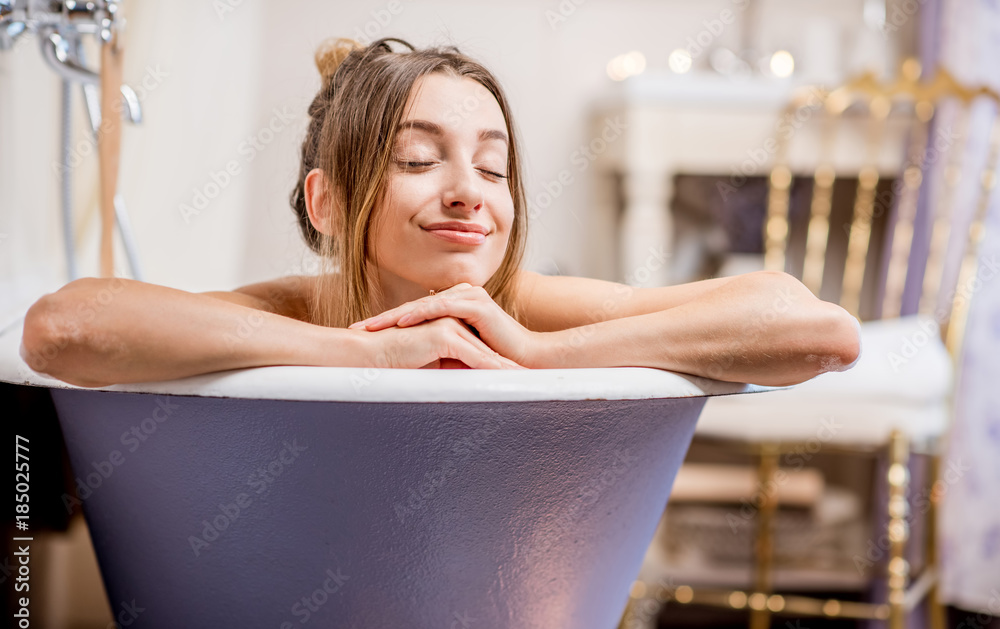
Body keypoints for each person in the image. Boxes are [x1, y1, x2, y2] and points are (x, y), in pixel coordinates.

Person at [19, 37, 860, 389]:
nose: (469, 190)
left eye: (493, 168)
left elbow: (818, 330)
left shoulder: (523, 309)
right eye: (419, 161)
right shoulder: (300, 308)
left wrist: (538, 351)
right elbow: (62, 328)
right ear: (331, 203)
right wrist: (359, 354)